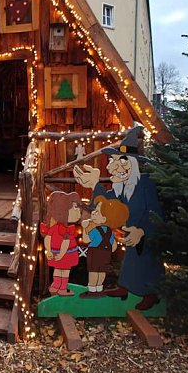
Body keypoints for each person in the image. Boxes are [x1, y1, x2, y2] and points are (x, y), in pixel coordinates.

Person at [73, 126, 164, 311]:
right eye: (113, 161)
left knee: (148, 260)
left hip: (146, 234)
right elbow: (106, 204)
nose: (113, 167)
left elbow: (156, 212)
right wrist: (94, 184)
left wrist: (142, 231)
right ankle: (125, 287)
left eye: (121, 162)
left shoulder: (146, 184)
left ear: (133, 165)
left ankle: (152, 293)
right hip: (130, 234)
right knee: (130, 260)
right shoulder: (120, 187)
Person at [79, 195, 129, 299]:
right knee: (102, 271)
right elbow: (114, 246)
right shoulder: (110, 232)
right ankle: (99, 289)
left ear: (104, 219)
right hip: (106, 254)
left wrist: (84, 228)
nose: (93, 213)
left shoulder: (96, 230)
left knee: (93, 271)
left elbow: (86, 240)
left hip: (95, 252)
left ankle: (92, 290)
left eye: (97, 212)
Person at [41, 191, 82, 296]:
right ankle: (62, 288)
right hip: (65, 254)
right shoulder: (65, 230)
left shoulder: (54, 227)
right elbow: (65, 243)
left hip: (55, 252)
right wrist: (61, 254)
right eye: (74, 207)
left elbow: (47, 238)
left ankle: (55, 286)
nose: (78, 210)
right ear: (62, 211)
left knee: (58, 269)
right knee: (65, 271)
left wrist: (49, 251)